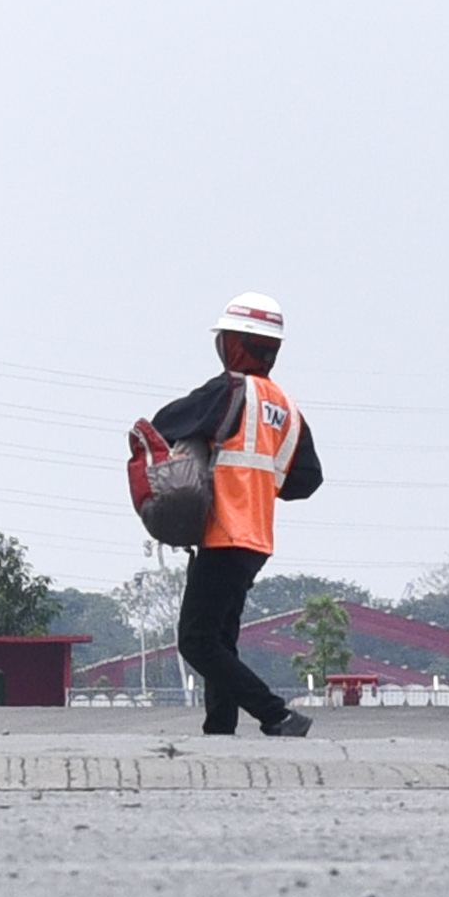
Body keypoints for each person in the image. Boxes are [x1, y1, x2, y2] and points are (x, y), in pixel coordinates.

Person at [151, 292, 324, 738]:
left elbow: (163, 424)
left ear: (234, 343)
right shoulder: (286, 408)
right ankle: (220, 728)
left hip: (223, 532)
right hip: (256, 539)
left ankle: (276, 714)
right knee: (220, 638)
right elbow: (307, 479)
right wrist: (259, 486)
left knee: (195, 640)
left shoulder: (229, 390)